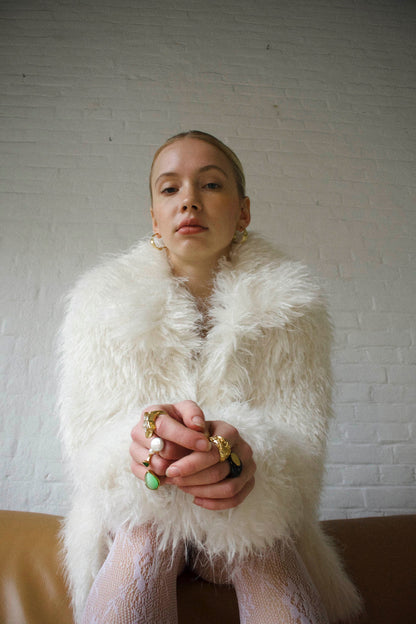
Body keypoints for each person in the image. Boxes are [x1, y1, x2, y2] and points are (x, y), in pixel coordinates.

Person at [58, 130, 362, 624]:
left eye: (212, 185)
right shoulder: (100, 303)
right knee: (144, 535)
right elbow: (87, 450)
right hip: (136, 512)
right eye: (170, 188)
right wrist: (142, 448)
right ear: (154, 216)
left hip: (247, 509)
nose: (189, 201)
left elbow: (303, 453)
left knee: (261, 541)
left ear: (243, 211)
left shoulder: (295, 306)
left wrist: (246, 459)